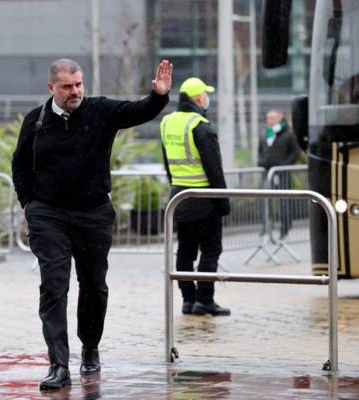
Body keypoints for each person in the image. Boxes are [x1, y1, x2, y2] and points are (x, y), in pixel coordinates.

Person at [12, 58, 172, 391]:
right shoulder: (36, 121)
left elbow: (137, 111)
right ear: (51, 87)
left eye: (79, 84)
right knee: (54, 287)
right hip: (49, 215)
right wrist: (28, 205)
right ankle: (58, 364)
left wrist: (158, 97)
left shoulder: (100, 111)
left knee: (94, 286)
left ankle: (90, 347)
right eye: (68, 86)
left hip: (93, 213)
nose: (75, 91)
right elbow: (20, 165)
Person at [160, 77, 231, 317]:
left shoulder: (167, 122)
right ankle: (205, 300)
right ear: (199, 98)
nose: (207, 98)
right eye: (205, 94)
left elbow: (167, 164)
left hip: (179, 197)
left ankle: (188, 300)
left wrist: (176, 187)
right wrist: (223, 203)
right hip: (205, 198)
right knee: (211, 251)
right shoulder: (200, 125)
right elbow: (215, 169)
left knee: (185, 251)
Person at [258, 109, 300, 239]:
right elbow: (260, 150)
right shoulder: (265, 134)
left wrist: (285, 165)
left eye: (271, 118)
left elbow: (296, 152)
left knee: (285, 202)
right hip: (267, 173)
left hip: (282, 173)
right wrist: (261, 162)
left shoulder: (288, 134)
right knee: (264, 201)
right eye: (267, 118)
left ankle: (285, 229)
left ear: (279, 118)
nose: (268, 120)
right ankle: (266, 227)